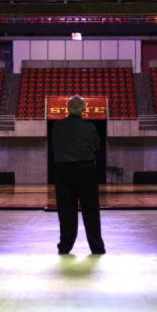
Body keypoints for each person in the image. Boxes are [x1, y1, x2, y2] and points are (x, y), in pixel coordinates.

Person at [51, 95, 106, 255]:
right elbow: (97, 145)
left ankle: (65, 246)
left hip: (63, 171)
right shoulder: (89, 127)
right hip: (85, 171)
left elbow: (56, 145)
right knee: (91, 210)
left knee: (66, 211)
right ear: (83, 109)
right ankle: (97, 247)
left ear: (67, 108)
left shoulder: (57, 126)